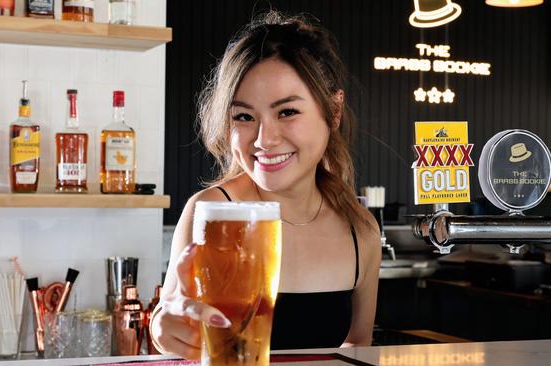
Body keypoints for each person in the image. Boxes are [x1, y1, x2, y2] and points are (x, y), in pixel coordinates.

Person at [149, 11, 381, 360]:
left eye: (286, 112)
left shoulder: (360, 229)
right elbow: (172, 313)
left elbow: (356, 345)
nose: (264, 139)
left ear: (334, 111)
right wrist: (161, 327)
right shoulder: (212, 214)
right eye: (244, 116)